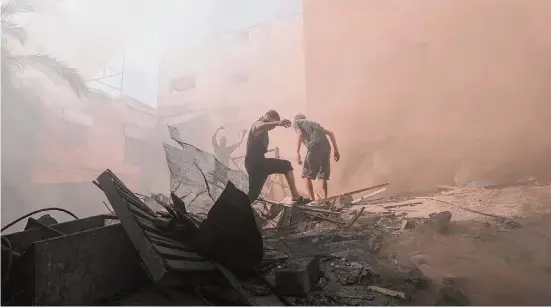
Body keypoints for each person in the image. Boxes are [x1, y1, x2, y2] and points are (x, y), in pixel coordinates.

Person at [245, 110, 310, 204]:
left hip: (258, 163)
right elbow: (259, 126)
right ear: (268, 117)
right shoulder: (258, 124)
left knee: (253, 194)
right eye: (273, 124)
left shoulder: (263, 129)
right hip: (255, 164)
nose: (272, 127)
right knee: (286, 165)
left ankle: (239, 210)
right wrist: (278, 123)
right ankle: (295, 196)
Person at [294, 114, 340, 202]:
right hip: (326, 147)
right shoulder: (314, 124)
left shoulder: (297, 122)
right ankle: (325, 199)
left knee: (305, 175)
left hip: (315, 146)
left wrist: (297, 152)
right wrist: (336, 150)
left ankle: (312, 200)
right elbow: (331, 133)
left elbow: (299, 134)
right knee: (322, 175)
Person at [211, 126, 247, 190]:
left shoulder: (227, 149)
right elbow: (213, 138)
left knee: (225, 187)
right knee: (214, 188)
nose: (223, 141)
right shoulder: (217, 148)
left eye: (224, 140)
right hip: (216, 170)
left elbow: (239, 143)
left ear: (226, 142)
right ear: (219, 141)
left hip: (224, 171)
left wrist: (243, 135)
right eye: (221, 140)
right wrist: (218, 129)